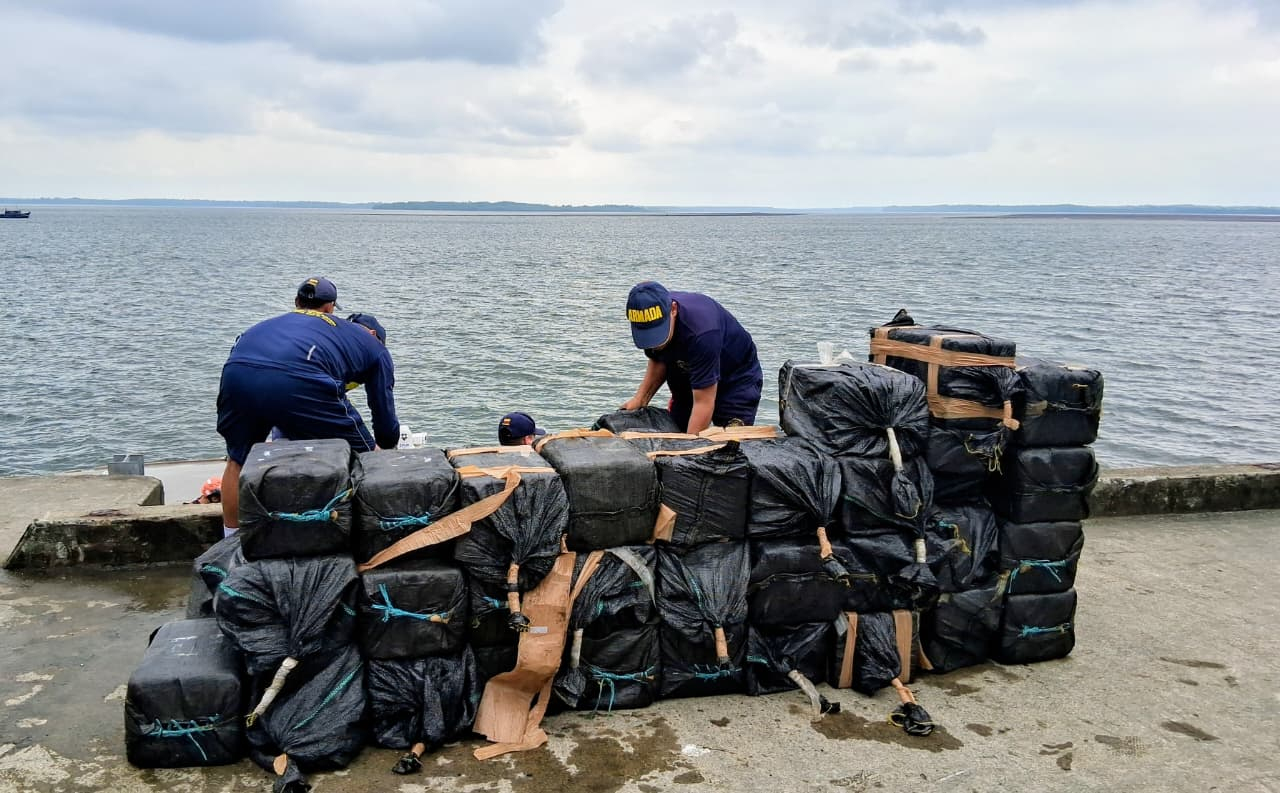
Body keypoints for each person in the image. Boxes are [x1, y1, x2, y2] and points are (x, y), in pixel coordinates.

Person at [216, 277, 400, 537]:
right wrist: (384, 448)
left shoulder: (280, 324)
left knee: (237, 460)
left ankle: (230, 541)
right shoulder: (374, 347)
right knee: (365, 459)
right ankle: (376, 533)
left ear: (297, 303)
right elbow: (383, 412)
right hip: (299, 376)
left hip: (237, 371)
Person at [621, 281, 762, 434]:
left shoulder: (703, 334)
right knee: (675, 431)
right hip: (686, 371)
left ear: (673, 309)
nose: (654, 344)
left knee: (729, 445)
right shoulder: (651, 311)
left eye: (658, 332)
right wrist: (640, 399)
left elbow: (704, 403)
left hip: (735, 378)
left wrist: (689, 448)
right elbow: (658, 359)